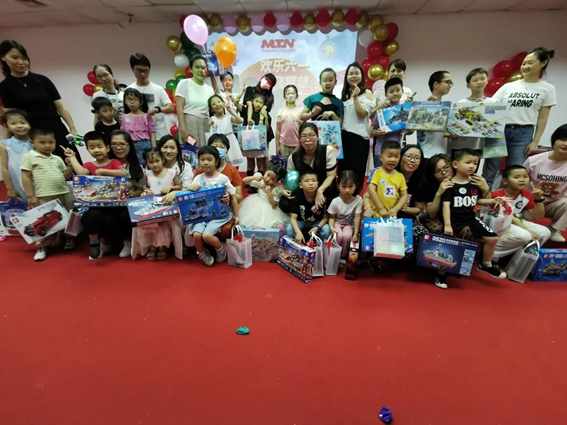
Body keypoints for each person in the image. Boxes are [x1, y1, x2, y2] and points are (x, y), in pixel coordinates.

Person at [484, 47, 557, 189]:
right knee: (491, 167)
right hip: (498, 131)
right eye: (524, 63)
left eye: (530, 63)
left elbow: (543, 118)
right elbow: (491, 106)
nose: (525, 66)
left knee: (515, 170)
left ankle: (508, 200)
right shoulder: (508, 86)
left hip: (523, 134)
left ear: (543, 63)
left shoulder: (547, 89)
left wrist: (535, 141)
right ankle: (484, 198)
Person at [0, 40, 79, 160]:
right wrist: (6, 143)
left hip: (56, 129)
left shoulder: (42, 80)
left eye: (24, 58)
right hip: (32, 136)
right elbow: (10, 118)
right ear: (3, 58)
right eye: (14, 57)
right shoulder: (5, 86)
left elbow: (61, 106)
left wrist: (72, 129)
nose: (21, 62)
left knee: (71, 163)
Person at [441, 148, 506, 280]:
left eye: (475, 163)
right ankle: (441, 273)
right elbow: (445, 205)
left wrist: (492, 201)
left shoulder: (475, 183)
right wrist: (447, 224)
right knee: (449, 246)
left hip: (470, 218)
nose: (472, 166)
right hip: (454, 220)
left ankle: (486, 264)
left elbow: (476, 200)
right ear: (455, 164)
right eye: (468, 162)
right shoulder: (449, 184)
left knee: (493, 239)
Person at [65, 131, 128, 260]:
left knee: (117, 217)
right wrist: (72, 157)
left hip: (114, 203)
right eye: (92, 147)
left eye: (100, 146)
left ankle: (123, 242)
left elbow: (123, 173)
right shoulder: (89, 165)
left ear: (107, 148)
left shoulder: (114, 162)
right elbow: (81, 172)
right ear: (88, 150)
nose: (96, 150)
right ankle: (95, 242)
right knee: (92, 216)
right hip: (96, 203)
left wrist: (103, 171)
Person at [20, 128, 74, 261]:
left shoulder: (57, 158)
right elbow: (26, 177)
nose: (47, 145)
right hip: (44, 195)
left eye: (51, 142)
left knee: (68, 217)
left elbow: (66, 176)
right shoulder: (29, 157)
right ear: (32, 142)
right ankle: (42, 246)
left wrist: (70, 165)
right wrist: (30, 195)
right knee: (45, 222)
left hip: (64, 192)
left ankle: (67, 237)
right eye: (42, 142)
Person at [187, 146, 240, 267]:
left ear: (216, 161)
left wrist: (237, 215)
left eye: (209, 159)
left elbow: (234, 197)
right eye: (202, 159)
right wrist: (189, 188)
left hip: (219, 214)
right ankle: (202, 254)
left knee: (207, 236)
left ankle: (220, 249)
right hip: (201, 214)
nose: (205, 162)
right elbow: (189, 196)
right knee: (196, 235)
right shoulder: (198, 178)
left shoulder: (223, 179)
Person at [490, 165, 551, 263]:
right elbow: (509, 216)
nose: (522, 180)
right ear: (505, 181)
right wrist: (528, 230)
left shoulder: (526, 194)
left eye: (525, 176)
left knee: (545, 232)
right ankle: (491, 256)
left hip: (516, 221)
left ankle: (518, 260)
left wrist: (538, 199)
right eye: (516, 177)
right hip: (497, 222)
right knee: (525, 235)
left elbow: (538, 216)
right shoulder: (497, 195)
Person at [134, 148, 182, 261]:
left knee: (162, 226)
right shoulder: (147, 174)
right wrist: (146, 191)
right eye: (151, 162)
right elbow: (147, 186)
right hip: (153, 205)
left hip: (166, 204)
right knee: (151, 225)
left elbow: (179, 186)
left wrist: (170, 187)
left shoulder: (171, 173)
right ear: (146, 163)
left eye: (157, 161)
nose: (155, 164)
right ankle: (153, 246)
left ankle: (162, 246)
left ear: (162, 160)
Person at [280, 123, 337, 214]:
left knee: (331, 201)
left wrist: (320, 190)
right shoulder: (293, 157)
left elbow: (331, 176)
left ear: (317, 136)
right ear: (299, 138)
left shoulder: (327, 151)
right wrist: (284, 190)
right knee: (284, 203)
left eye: (311, 135)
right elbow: (290, 179)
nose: (307, 139)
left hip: (324, 187)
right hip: (305, 191)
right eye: (303, 136)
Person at [523, 124, 567, 242]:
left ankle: (554, 229)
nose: (565, 144)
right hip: (530, 203)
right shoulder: (534, 160)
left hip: (555, 204)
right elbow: (519, 182)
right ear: (554, 141)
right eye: (562, 139)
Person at [108, 130, 145, 258]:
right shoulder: (104, 164)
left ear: (129, 146)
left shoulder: (136, 167)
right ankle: (104, 243)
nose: (118, 148)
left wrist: (129, 194)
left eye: (122, 144)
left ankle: (127, 241)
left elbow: (140, 189)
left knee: (124, 214)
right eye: (114, 144)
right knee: (99, 215)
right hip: (107, 203)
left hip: (127, 203)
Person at [339, 62, 376, 189]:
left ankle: (355, 199)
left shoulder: (367, 93)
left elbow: (362, 113)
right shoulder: (344, 95)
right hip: (344, 138)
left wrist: (355, 97)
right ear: (346, 77)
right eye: (351, 73)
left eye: (356, 73)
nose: (354, 76)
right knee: (343, 173)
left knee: (356, 174)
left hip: (359, 139)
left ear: (362, 75)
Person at [128, 53, 174, 140]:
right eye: (139, 70)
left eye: (146, 71)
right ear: (133, 69)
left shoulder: (158, 89)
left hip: (159, 134)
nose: (143, 74)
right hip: (138, 136)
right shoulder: (129, 90)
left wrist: (157, 109)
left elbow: (171, 107)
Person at [176, 55, 215, 147]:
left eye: (203, 67)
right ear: (191, 69)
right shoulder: (184, 83)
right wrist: (182, 129)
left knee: (205, 152)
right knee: (190, 153)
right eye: (197, 67)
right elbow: (179, 108)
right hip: (189, 123)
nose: (201, 70)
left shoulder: (210, 90)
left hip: (205, 124)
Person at [286, 168, 332, 243]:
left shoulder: (322, 198)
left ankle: (320, 247)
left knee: (326, 229)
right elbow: (293, 219)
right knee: (289, 228)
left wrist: (317, 227)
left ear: (317, 184)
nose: (310, 183)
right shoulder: (298, 198)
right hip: (301, 222)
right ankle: (292, 247)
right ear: (300, 185)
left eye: (313, 181)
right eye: (307, 181)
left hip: (317, 222)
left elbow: (325, 218)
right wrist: (298, 232)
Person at [451, 68, 488, 156]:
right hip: (459, 146)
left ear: (487, 81)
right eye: (475, 80)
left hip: (478, 146)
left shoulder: (493, 103)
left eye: (482, 79)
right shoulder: (460, 104)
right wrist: (452, 131)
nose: (479, 82)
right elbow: (453, 126)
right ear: (468, 85)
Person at [328, 170, 363, 266]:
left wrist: (355, 233)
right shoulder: (335, 201)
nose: (347, 190)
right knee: (338, 236)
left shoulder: (358, 200)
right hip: (337, 223)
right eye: (344, 186)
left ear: (356, 186)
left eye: (351, 186)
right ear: (338, 186)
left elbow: (357, 217)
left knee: (347, 236)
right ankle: (335, 255)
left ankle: (343, 256)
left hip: (348, 224)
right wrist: (331, 227)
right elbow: (331, 217)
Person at [239, 162, 289, 228]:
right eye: (268, 175)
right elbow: (244, 180)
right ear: (265, 171)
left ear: (276, 181)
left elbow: (273, 205)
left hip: (269, 209)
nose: (268, 179)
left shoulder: (276, 189)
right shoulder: (260, 182)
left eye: (272, 179)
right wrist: (254, 177)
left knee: (265, 224)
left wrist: (269, 193)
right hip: (256, 204)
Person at [370, 77, 406, 167]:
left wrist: (408, 130)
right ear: (386, 94)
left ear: (402, 91)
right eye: (391, 91)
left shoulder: (406, 110)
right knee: (379, 175)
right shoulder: (381, 112)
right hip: (381, 151)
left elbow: (410, 130)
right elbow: (372, 130)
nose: (395, 93)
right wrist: (377, 132)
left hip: (397, 152)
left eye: (398, 90)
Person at [366, 141, 408, 218]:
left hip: (391, 215)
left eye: (396, 157)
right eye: (389, 156)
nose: (393, 159)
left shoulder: (400, 176)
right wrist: (380, 208)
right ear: (381, 157)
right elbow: (371, 190)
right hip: (375, 214)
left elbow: (404, 195)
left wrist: (396, 209)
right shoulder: (376, 172)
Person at [417, 70, 453, 158]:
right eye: (447, 82)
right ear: (436, 84)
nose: (449, 85)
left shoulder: (449, 109)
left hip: (443, 154)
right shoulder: (422, 107)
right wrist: (430, 108)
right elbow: (418, 130)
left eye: (450, 83)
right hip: (426, 154)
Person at [0, 109, 32, 201]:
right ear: (6, 126)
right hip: (19, 182)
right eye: (13, 123)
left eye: (23, 122)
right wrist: (10, 188)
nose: (19, 126)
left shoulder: (36, 142)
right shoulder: (4, 145)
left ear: (29, 124)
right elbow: (4, 168)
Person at [120, 87, 156, 165]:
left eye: (135, 99)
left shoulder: (146, 116)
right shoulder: (124, 118)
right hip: (130, 146)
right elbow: (123, 135)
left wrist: (154, 149)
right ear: (125, 101)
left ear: (141, 102)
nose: (132, 102)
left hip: (145, 145)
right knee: (133, 166)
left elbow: (152, 134)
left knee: (147, 165)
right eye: (129, 99)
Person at [208, 94, 244, 167]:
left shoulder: (229, 117)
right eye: (214, 104)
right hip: (219, 143)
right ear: (211, 109)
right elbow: (209, 127)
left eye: (219, 102)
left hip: (231, 141)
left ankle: (234, 174)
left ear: (223, 103)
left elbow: (240, 121)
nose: (217, 104)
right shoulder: (212, 119)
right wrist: (209, 124)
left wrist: (230, 111)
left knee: (234, 163)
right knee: (219, 163)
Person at [158, 134, 194, 199]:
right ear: (160, 149)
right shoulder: (155, 165)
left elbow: (189, 189)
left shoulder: (185, 167)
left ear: (178, 150)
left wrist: (176, 194)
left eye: (172, 148)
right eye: (165, 147)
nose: (168, 151)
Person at [276, 85, 303, 158]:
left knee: (296, 163)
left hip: (297, 144)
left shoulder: (301, 111)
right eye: (288, 93)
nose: (290, 95)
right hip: (283, 144)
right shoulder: (280, 111)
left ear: (297, 96)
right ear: (284, 97)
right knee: (284, 164)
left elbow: (303, 129)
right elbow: (278, 130)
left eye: (292, 93)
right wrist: (277, 146)